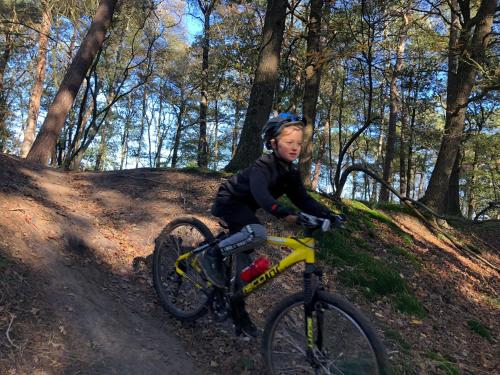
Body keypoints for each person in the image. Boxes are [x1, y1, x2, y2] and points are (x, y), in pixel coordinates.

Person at [199, 112, 338, 337]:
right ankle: (212, 254)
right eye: (289, 142)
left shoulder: (290, 173)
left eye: (299, 143)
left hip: (247, 211)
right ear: (273, 143)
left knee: (245, 272)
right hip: (230, 201)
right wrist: (284, 213)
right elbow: (262, 196)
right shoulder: (264, 165)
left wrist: (330, 215)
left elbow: (303, 199)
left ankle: (237, 309)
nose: (295, 147)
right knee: (257, 233)